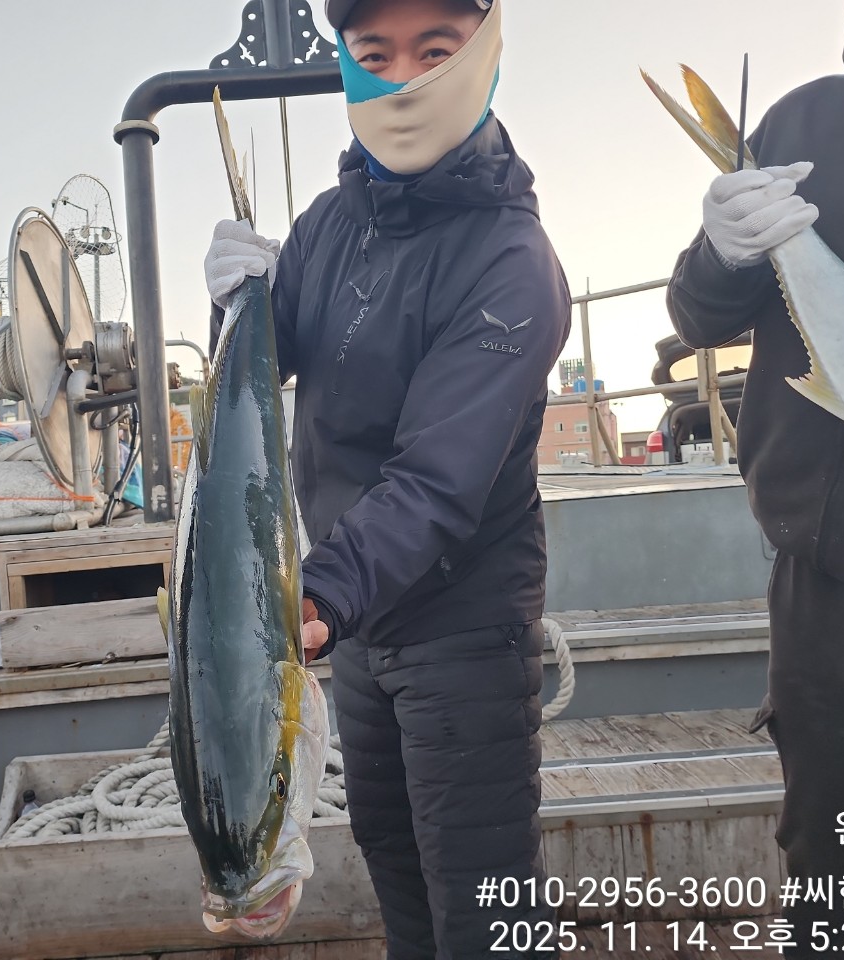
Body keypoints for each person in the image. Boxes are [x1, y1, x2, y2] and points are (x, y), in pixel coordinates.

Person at [204, 0, 571, 955]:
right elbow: (264, 369)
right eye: (376, 52)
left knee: (484, 904)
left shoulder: (512, 260)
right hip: (359, 628)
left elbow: (437, 480)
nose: (405, 78)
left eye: (435, 49)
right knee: (395, 866)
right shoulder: (329, 225)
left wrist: (316, 594)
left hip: (461, 628)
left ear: (484, 52)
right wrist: (235, 309)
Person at [666, 1, 844, 954]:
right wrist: (722, 254)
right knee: (837, 899)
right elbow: (700, 317)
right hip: (833, 602)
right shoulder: (810, 119)